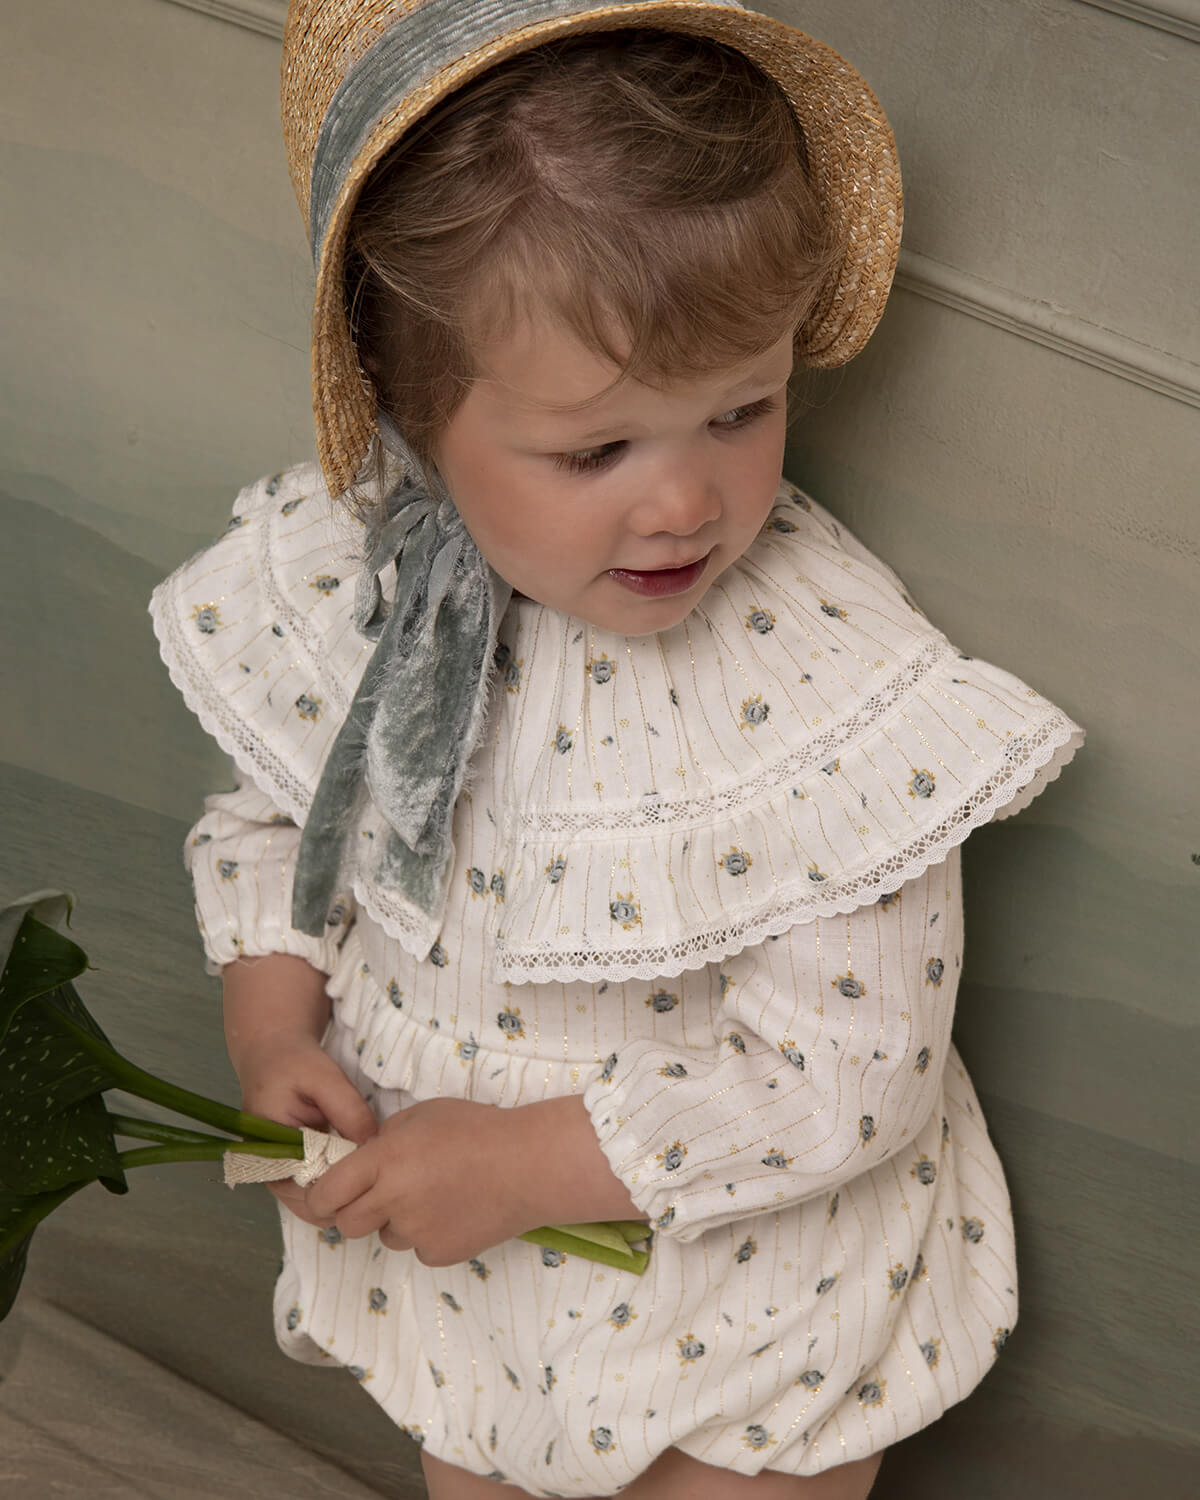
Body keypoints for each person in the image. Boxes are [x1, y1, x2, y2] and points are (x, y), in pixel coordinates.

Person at [150, 4, 1084, 1498]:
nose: (685, 505)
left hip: (736, 1295)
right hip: (468, 1273)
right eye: (596, 451)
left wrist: (527, 1165)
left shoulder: (817, 688)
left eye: (742, 410)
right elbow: (277, 828)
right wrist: (273, 1035)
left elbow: (853, 1071)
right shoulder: (358, 592)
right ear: (415, 417)